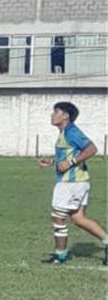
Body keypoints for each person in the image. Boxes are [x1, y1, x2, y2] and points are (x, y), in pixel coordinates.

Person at [37, 101, 107, 266]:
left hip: (71, 183)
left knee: (58, 218)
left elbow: (92, 149)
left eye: (56, 112)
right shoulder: (64, 133)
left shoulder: (71, 132)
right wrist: (53, 161)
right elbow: (68, 156)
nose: (52, 115)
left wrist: (71, 162)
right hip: (77, 181)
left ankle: (60, 256)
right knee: (79, 219)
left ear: (66, 116)